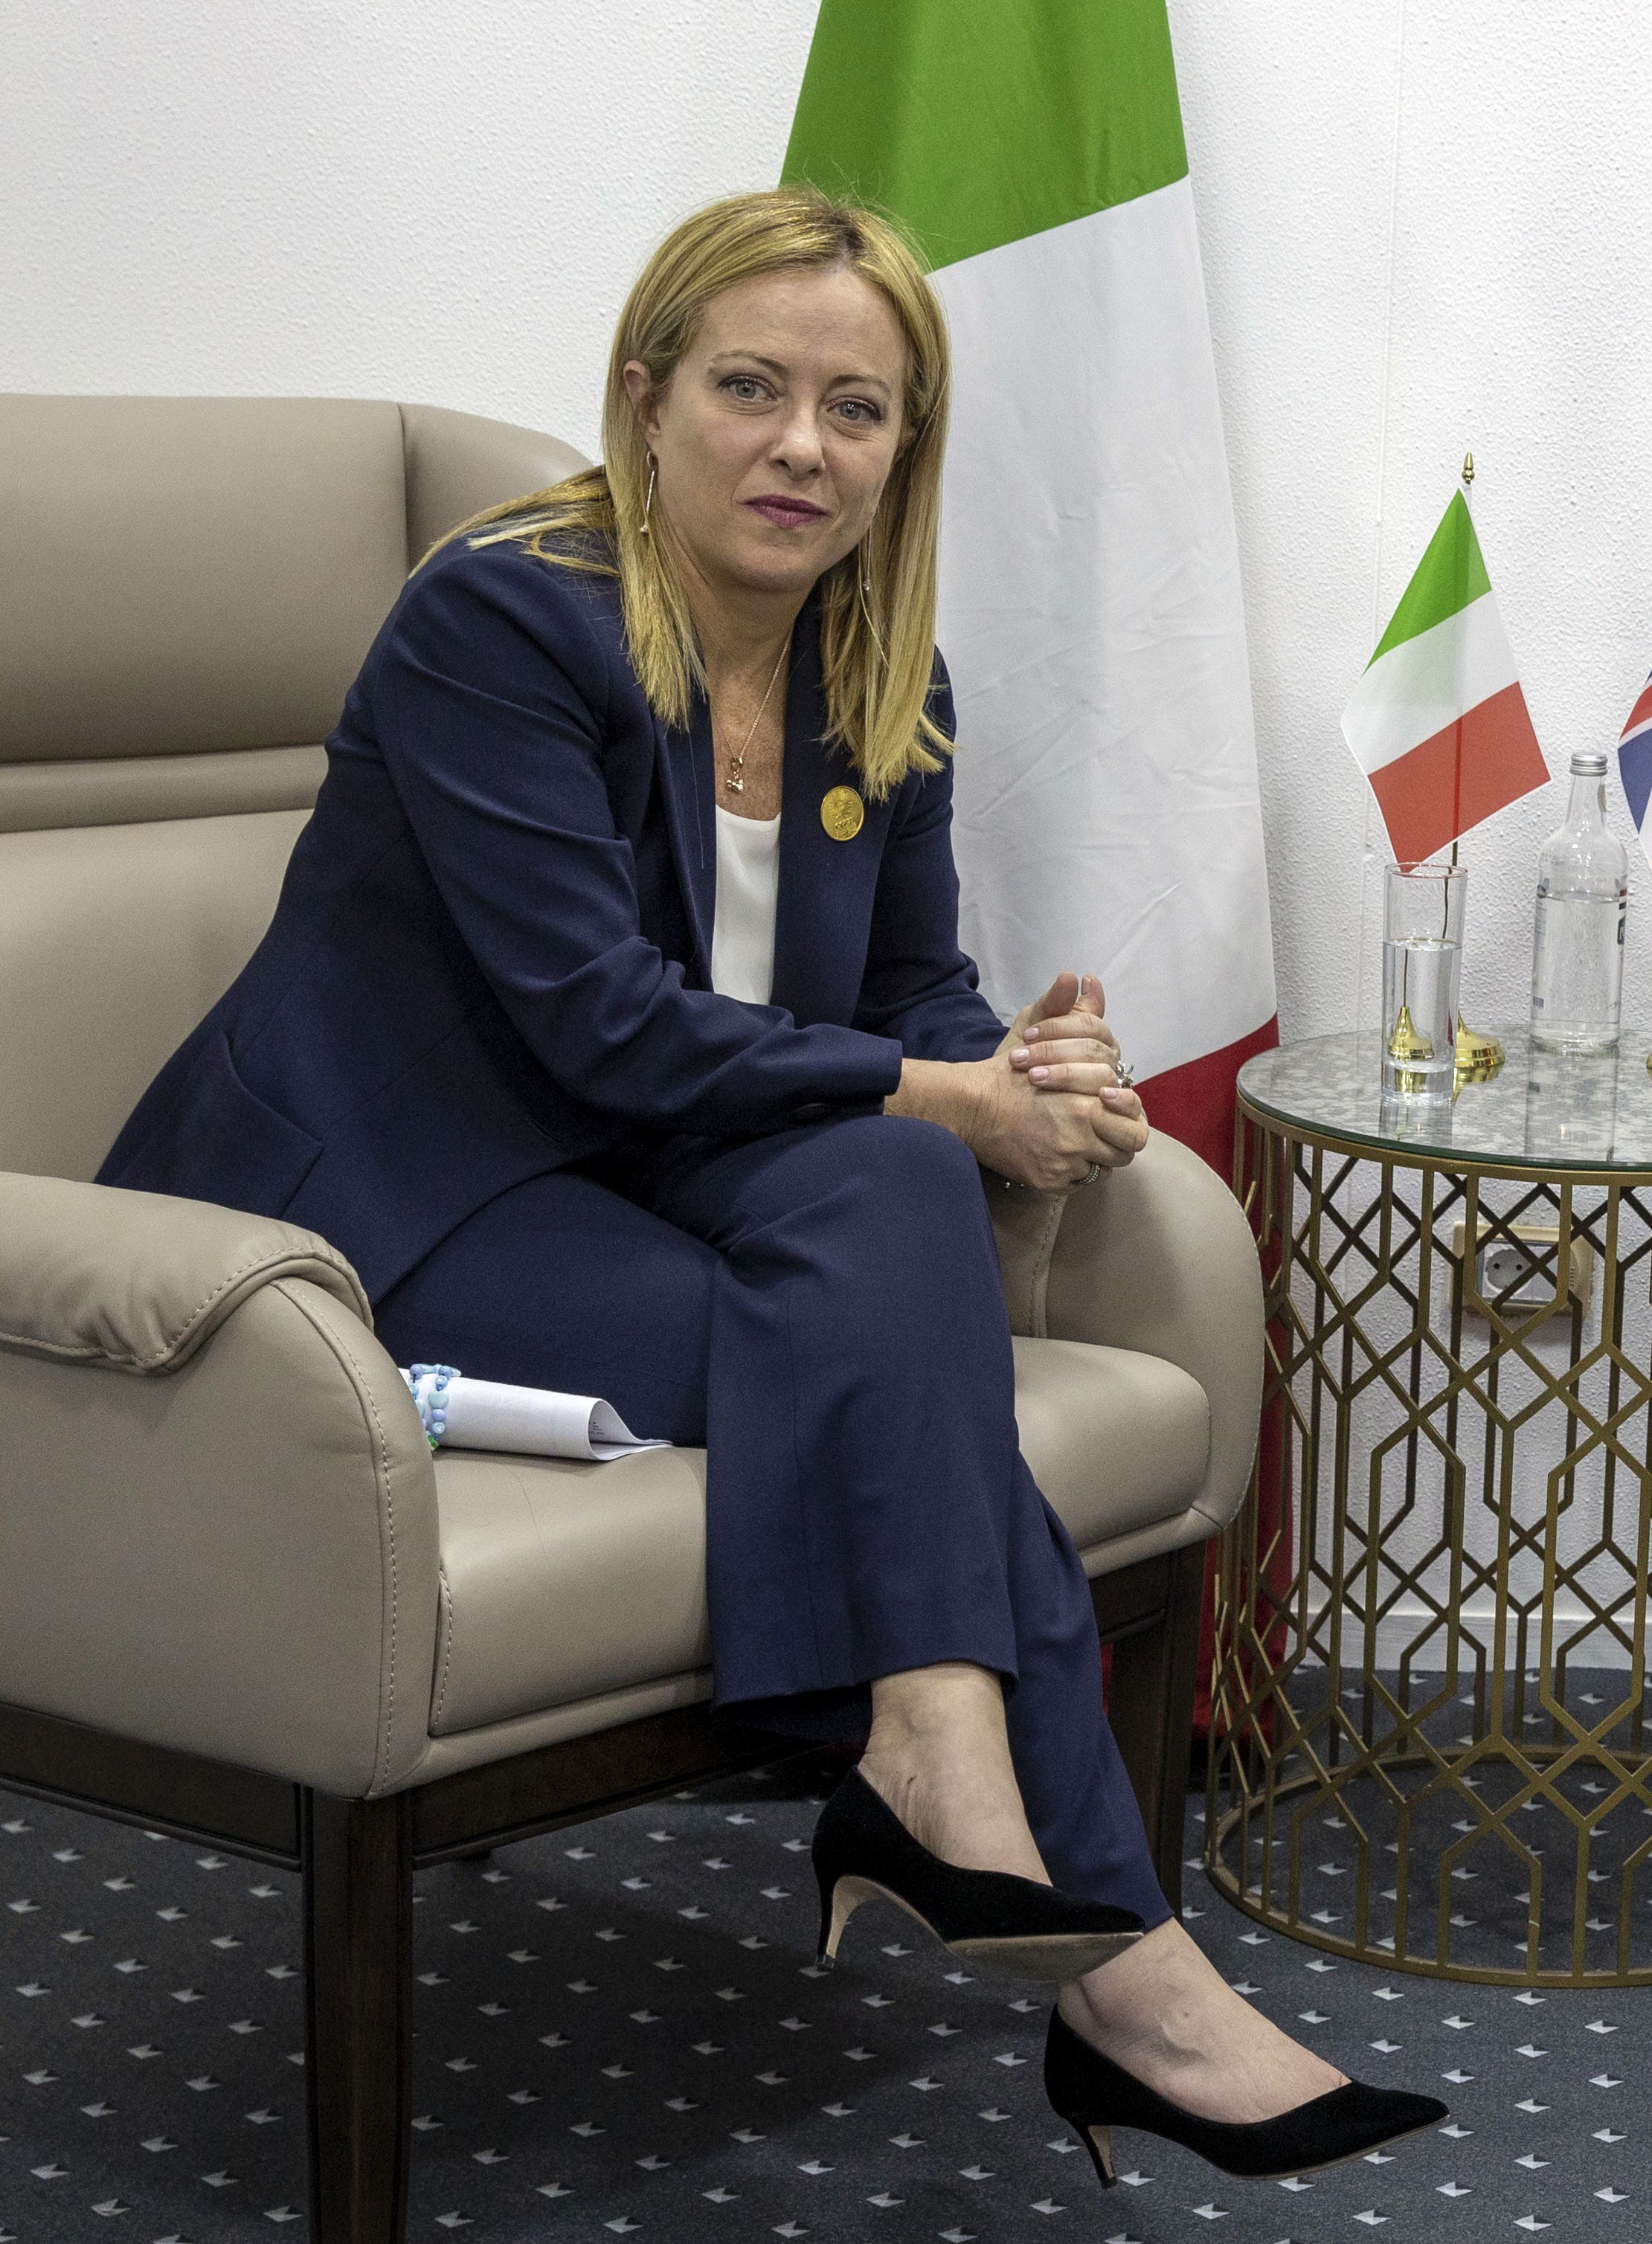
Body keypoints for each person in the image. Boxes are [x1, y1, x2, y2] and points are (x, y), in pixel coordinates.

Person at [98, 187, 1442, 2187]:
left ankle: (948, 1774)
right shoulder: (499, 615)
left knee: (898, 1216)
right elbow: (599, 1025)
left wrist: (1021, 1072)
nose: (802, 447)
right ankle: (1116, 1958)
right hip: (392, 1206)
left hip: (649, 1176)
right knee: (913, 1325)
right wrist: (944, 1094)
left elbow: (909, 993)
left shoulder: (884, 673)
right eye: (749, 387)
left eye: (858, 408)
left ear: (908, 447)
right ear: (645, 400)